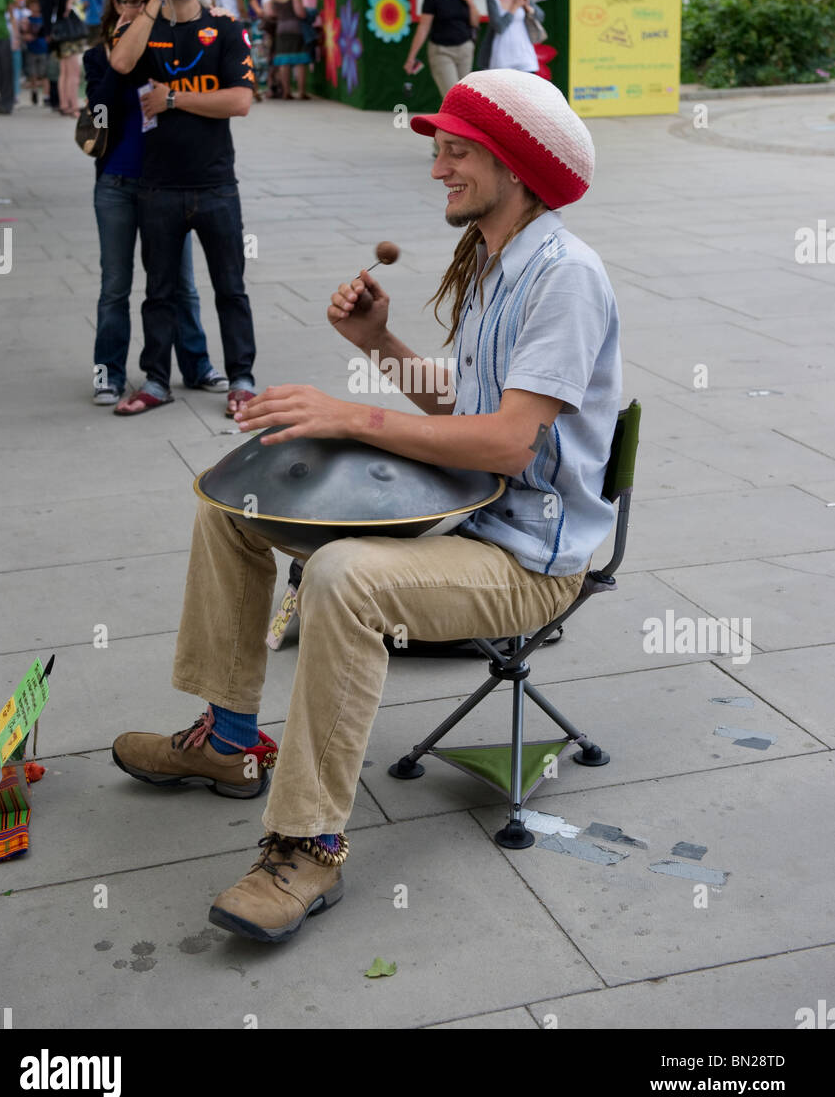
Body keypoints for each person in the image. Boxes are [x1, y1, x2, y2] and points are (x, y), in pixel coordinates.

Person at [111, 69, 622, 944]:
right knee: (235, 503)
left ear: (514, 164)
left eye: (457, 153)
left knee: (346, 578)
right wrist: (378, 343)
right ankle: (229, 741)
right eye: (439, 151)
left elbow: (505, 444)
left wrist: (351, 413)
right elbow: (466, 410)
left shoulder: (564, 276)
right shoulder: (500, 259)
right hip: (474, 518)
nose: (438, 170)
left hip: (529, 561)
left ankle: (306, 844)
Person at [109, 0, 257, 419]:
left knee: (229, 286)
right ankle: (156, 379)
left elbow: (239, 101)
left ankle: (241, 379)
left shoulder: (226, 26)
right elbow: (121, 61)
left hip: (216, 183)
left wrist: (173, 98)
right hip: (159, 186)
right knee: (160, 291)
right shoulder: (145, 26)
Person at [83, 0, 229, 407]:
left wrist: (214, 13)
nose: (140, 7)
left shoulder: (168, 48)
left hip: (167, 184)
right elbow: (102, 104)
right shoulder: (99, 56)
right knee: (116, 284)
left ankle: (197, 364)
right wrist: (126, 39)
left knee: (180, 283)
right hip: (117, 184)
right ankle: (107, 373)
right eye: (131, 0)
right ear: (116, 4)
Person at [404, 0, 481, 99]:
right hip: (441, 51)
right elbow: (424, 27)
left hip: (464, 50)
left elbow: (474, 22)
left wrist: (471, 3)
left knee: (466, 96)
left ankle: (458, 124)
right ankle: (448, 123)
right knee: (451, 95)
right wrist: (411, 56)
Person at [479, 0, 543, 74]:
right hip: (501, 57)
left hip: (524, 54)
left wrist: (528, 8)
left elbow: (541, 16)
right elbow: (499, 27)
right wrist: (514, 7)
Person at [36, 0, 75, 114]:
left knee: (62, 69)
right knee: (68, 69)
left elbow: (45, 10)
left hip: (55, 29)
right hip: (63, 29)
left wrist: (47, 30)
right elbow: (60, 9)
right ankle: (66, 103)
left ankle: (61, 101)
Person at [262, 0, 309, 99]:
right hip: (295, 26)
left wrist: (279, 16)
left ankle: (286, 92)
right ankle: (301, 91)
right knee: (300, 59)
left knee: (283, 60)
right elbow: (299, 12)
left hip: (281, 27)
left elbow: (269, 12)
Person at [21, 0, 49, 105]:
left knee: (45, 74)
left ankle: (46, 95)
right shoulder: (27, 20)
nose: (35, 7)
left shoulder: (45, 19)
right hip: (31, 49)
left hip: (43, 49)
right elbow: (23, 34)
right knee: (33, 73)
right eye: (32, 5)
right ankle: (34, 91)